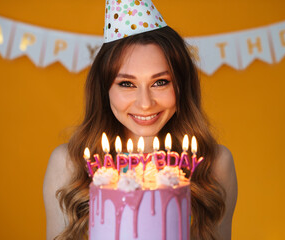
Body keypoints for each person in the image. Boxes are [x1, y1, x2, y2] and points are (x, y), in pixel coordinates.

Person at [43, 1, 237, 239]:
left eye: (160, 82)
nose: (145, 103)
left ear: (182, 86)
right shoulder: (68, 164)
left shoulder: (215, 164)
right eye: (127, 84)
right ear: (104, 90)